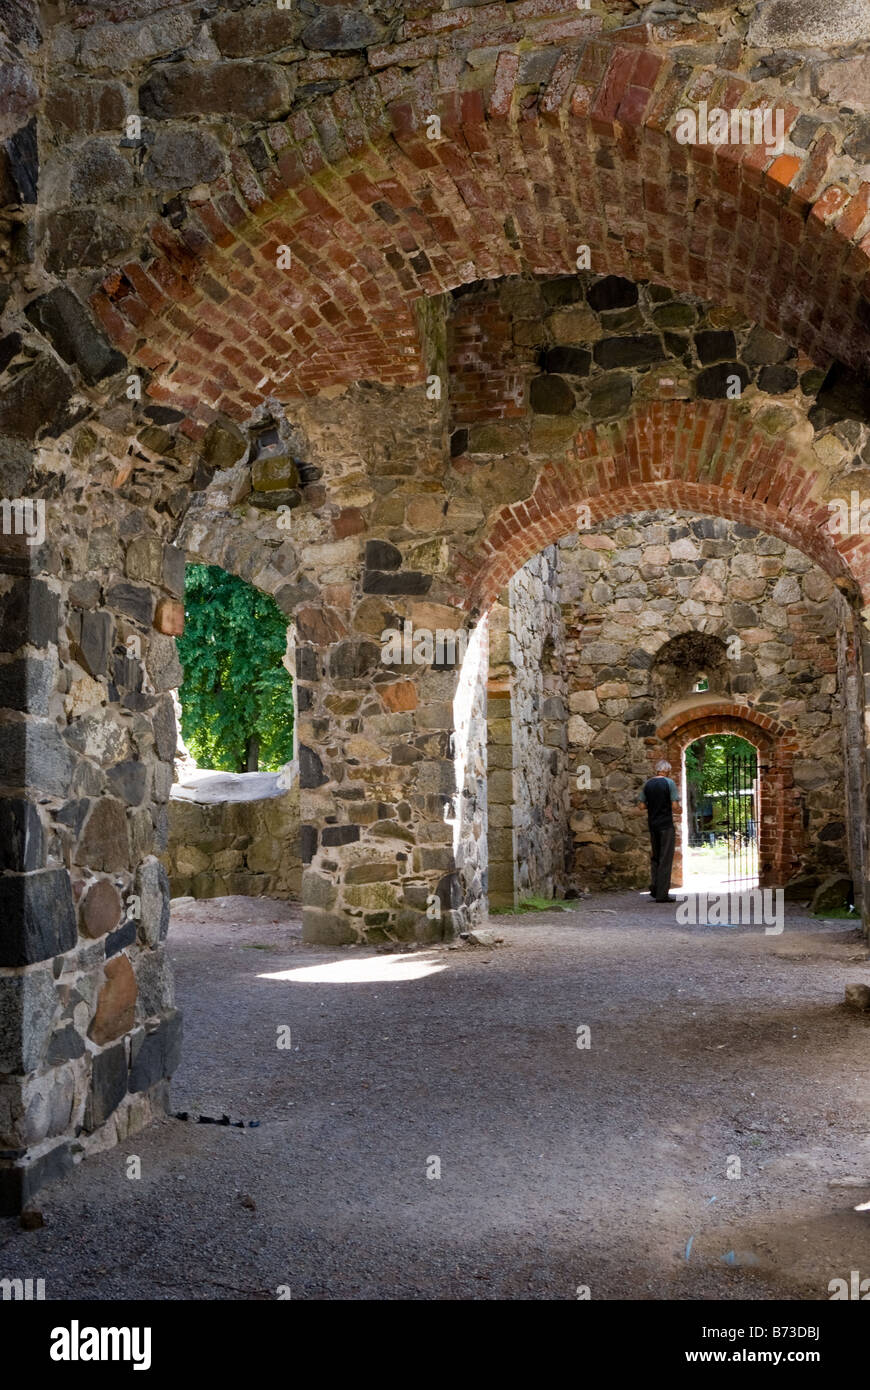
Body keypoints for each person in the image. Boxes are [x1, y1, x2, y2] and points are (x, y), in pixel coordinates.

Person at [638, 760, 682, 903]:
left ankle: (655, 888)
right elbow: (675, 805)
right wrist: (677, 809)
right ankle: (662, 894)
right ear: (667, 771)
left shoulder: (648, 784)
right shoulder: (669, 783)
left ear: (657, 770)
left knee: (655, 857)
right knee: (665, 858)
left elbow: (641, 806)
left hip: (653, 824)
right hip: (666, 825)